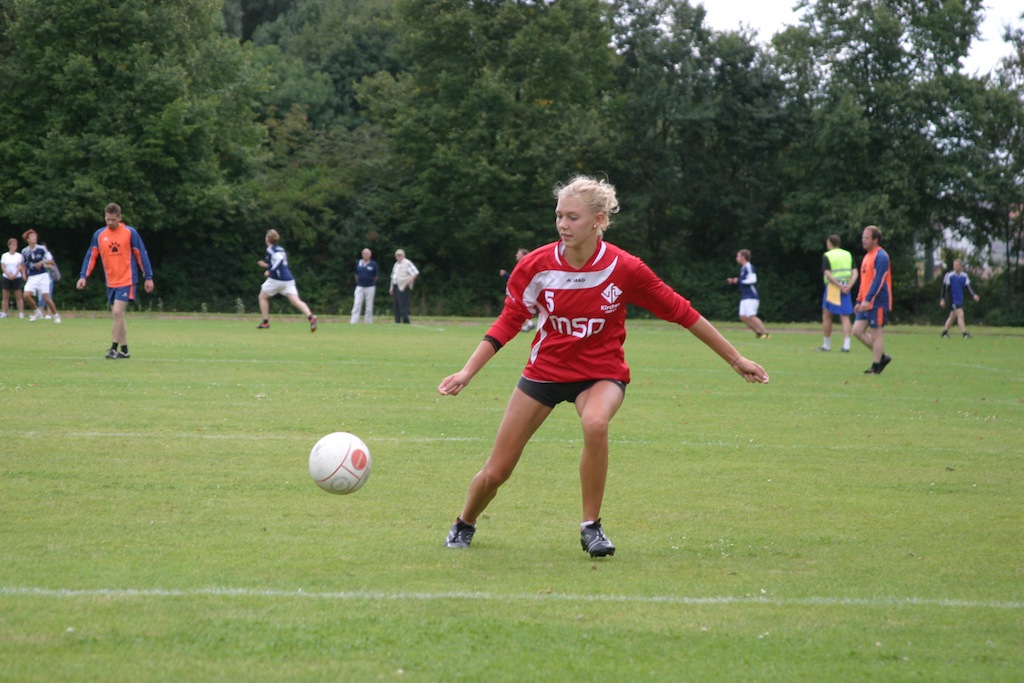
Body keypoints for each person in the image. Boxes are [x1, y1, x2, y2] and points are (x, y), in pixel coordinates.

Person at [438, 176, 769, 557]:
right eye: (559, 216)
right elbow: (508, 322)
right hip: (544, 374)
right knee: (497, 471)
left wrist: (736, 359)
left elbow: (682, 311)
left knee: (595, 422)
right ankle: (464, 522)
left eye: (572, 217)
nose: (562, 224)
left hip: (600, 374)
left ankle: (591, 527)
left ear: (598, 221)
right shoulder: (535, 267)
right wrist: (467, 372)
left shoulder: (624, 267)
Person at [77, 203, 154, 359]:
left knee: (117, 312)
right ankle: (124, 350)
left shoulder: (129, 233)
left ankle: (113, 348)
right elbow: (91, 256)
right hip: (111, 281)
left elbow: (141, 255)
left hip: (127, 279)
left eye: (113, 219)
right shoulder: (99, 235)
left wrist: (148, 277)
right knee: (119, 316)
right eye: (107, 219)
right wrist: (83, 276)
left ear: (119, 217)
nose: (110, 222)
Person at [255, 229, 317, 332]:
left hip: (276, 279)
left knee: (262, 297)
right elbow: (282, 263)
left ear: (267, 239)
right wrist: (266, 265)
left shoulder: (270, 249)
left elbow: (279, 260)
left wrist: (270, 271)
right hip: (288, 279)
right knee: (296, 301)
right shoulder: (281, 249)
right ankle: (311, 317)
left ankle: (265, 322)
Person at [852, 225, 893, 374]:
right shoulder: (867, 256)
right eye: (863, 237)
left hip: (878, 302)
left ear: (875, 240)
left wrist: (868, 299)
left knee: (876, 334)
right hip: (866, 302)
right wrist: (859, 300)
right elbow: (864, 281)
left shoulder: (881, 256)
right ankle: (882, 356)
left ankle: (876, 367)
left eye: (866, 237)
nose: (863, 240)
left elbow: (879, 281)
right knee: (857, 331)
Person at [817, 234, 858, 352]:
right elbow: (855, 273)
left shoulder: (828, 255)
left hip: (833, 287)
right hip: (846, 286)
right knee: (845, 316)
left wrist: (838, 285)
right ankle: (847, 345)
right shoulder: (847, 254)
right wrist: (848, 286)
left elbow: (827, 273)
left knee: (827, 315)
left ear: (830, 243)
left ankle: (827, 344)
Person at [726, 249, 769, 339]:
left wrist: (739, 280)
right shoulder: (743, 268)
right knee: (742, 317)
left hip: (751, 296)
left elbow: (753, 279)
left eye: (738, 256)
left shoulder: (749, 267)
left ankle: (765, 333)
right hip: (745, 297)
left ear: (743, 257)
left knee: (751, 316)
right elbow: (743, 280)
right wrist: (735, 281)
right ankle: (758, 333)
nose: (736, 258)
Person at [21, 229, 61, 323]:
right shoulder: (24, 251)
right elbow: (23, 264)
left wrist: (42, 262)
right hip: (32, 276)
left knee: (46, 298)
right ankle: (37, 311)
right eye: (32, 236)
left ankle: (56, 315)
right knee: (26, 295)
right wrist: (24, 273)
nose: (34, 238)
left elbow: (51, 261)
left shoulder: (42, 249)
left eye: (35, 236)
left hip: (43, 275)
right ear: (28, 239)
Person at [940, 259, 980, 339]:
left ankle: (944, 333)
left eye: (956, 265)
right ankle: (965, 334)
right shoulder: (949, 275)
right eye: (954, 264)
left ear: (961, 266)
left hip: (960, 299)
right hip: (953, 300)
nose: (954, 266)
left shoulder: (964, 276)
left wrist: (974, 295)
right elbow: (944, 288)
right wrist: (942, 299)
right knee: (960, 314)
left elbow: (968, 287)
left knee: (952, 316)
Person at [500, 248, 534, 332]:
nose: (516, 255)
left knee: (518, 308)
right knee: (518, 309)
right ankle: (527, 323)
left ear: (524, 255)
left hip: (522, 292)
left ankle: (528, 323)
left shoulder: (525, 265)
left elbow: (518, 279)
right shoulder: (522, 264)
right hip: (519, 291)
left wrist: (506, 275)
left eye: (518, 253)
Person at [389, 249, 419, 324]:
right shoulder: (396, 264)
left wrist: (409, 281)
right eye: (397, 255)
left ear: (403, 255)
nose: (398, 256)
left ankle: (406, 321)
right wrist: (391, 287)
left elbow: (415, 272)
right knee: (396, 305)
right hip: (395, 286)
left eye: (400, 255)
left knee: (403, 304)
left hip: (403, 286)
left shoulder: (407, 263)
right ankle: (397, 321)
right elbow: (393, 276)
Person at [350, 248, 379, 324]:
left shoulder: (373, 264)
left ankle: (368, 322)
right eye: (364, 254)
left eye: (367, 254)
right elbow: (356, 274)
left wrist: (370, 282)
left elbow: (376, 276)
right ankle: (354, 321)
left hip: (370, 287)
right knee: (357, 304)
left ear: (370, 255)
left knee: (369, 306)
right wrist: (359, 282)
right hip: (360, 286)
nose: (365, 255)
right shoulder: (358, 263)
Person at [1, 237, 26, 319]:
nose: (14, 246)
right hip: (6, 277)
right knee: (5, 296)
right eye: (12, 245)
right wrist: (8, 274)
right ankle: (4, 312)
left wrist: (14, 274)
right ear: (9, 246)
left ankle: (21, 313)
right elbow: (3, 266)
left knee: (18, 296)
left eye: (15, 245)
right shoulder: (5, 255)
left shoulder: (19, 256)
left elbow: (20, 266)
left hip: (16, 277)